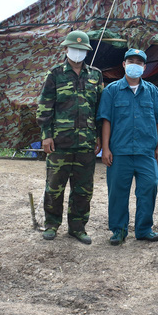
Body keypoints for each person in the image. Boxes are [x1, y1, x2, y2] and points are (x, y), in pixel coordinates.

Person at [36, 30, 103, 244]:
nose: (77, 53)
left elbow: (100, 110)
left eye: (82, 49)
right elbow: (44, 107)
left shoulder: (95, 75)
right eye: (74, 48)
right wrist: (46, 136)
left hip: (86, 144)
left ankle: (78, 227)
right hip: (60, 143)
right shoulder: (55, 74)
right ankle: (51, 224)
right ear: (65, 49)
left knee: (82, 190)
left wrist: (99, 137)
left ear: (87, 52)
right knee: (54, 187)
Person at [97, 48, 158, 245]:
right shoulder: (111, 91)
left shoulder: (153, 92)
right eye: (131, 61)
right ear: (124, 64)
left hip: (146, 151)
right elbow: (106, 120)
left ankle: (144, 229)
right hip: (120, 151)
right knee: (117, 191)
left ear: (144, 67)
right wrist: (106, 149)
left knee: (149, 186)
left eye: (139, 62)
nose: (135, 64)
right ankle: (118, 230)